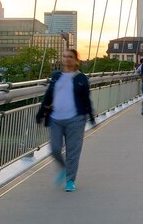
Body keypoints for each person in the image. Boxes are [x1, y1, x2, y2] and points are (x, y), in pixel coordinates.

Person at [35, 48, 94, 192]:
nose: (67, 59)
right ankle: (63, 167)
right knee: (55, 149)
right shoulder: (56, 76)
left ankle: (70, 180)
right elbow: (48, 96)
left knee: (73, 152)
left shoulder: (81, 78)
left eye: (70, 56)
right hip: (56, 119)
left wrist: (91, 116)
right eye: (65, 56)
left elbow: (86, 98)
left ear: (76, 60)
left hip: (76, 119)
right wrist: (41, 113)